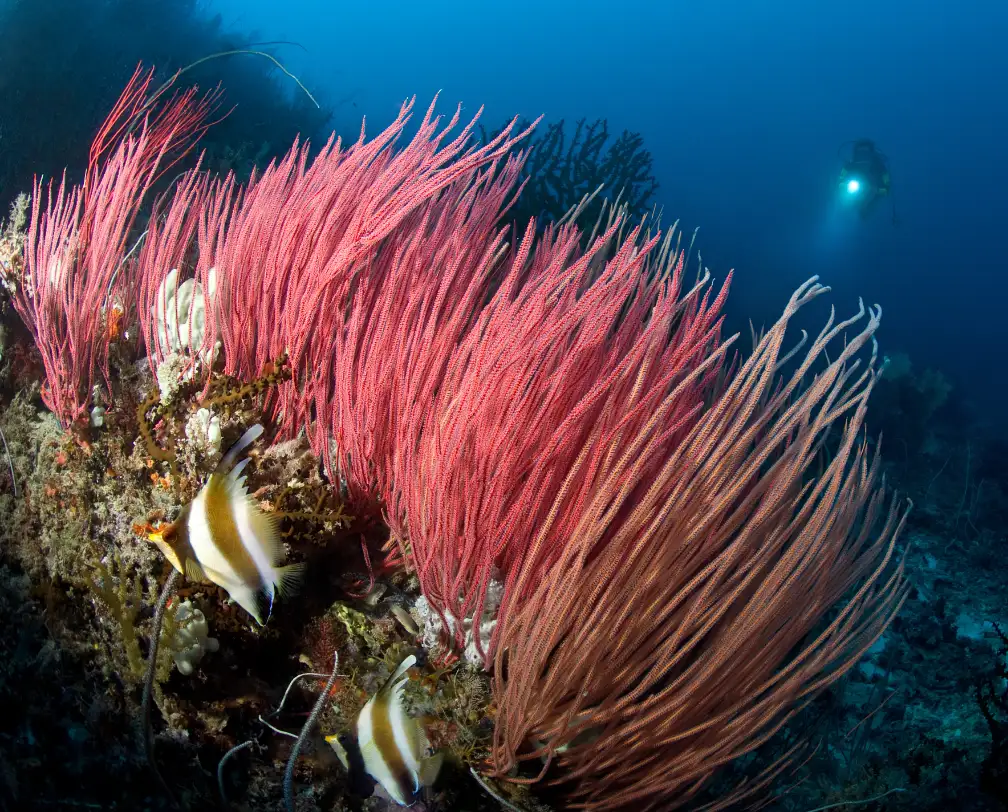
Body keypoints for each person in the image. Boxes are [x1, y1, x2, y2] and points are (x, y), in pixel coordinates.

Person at [838, 139, 893, 220]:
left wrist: (879, 189)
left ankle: (866, 214)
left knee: (872, 203)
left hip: (874, 189)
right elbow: (842, 176)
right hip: (857, 188)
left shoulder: (878, 166)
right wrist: (842, 184)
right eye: (860, 154)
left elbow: (886, 184)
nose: (863, 156)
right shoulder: (851, 164)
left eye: (865, 154)